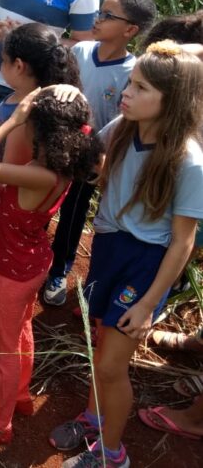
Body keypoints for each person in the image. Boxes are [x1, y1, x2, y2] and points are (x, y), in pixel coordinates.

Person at [50, 41, 203, 468]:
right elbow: (87, 155)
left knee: (112, 366)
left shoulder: (189, 162)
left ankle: (113, 455)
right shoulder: (123, 128)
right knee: (102, 346)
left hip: (145, 263)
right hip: (108, 248)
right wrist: (70, 97)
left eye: (140, 87)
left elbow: (182, 242)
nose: (126, 92)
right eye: (130, 83)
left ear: (172, 100)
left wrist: (149, 304)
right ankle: (94, 417)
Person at [0, 87, 101, 444]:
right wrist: (66, 93)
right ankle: (17, 395)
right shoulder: (57, 166)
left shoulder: (40, 174)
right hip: (28, 263)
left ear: (44, 131)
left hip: (14, 273)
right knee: (21, 332)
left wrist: (11, 122)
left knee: (4, 349)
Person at [0, 23, 80, 355]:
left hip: (2, 203)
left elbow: (0, 172)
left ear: (19, 66)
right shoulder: (28, 98)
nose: (1, 65)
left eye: (4, 60)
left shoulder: (29, 115)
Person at [44, 0, 157, 306]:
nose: (98, 19)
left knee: (73, 214)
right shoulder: (81, 50)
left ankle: (59, 270)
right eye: (100, 12)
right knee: (41, 202)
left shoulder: (132, 71)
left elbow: (124, 121)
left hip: (88, 156)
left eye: (108, 15)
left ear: (130, 30)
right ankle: (32, 258)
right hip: (55, 145)